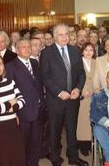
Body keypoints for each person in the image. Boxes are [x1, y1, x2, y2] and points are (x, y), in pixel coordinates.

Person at [40, 24, 87, 166]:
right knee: (55, 131)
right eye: (60, 34)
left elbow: (81, 73)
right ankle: (55, 158)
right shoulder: (47, 53)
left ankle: (73, 157)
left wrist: (78, 89)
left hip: (73, 98)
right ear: (54, 36)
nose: (64, 37)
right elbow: (45, 76)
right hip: (55, 99)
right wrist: (59, 92)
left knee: (72, 129)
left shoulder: (75, 51)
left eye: (66, 34)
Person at [5, 39, 45, 166]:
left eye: (29, 46)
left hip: (38, 110)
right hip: (22, 113)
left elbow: (38, 85)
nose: (27, 49)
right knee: (23, 144)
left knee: (36, 142)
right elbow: (9, 92)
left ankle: (33, 163)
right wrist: (15, 113)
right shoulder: (10, 66)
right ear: (17, 50)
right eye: (23, 47)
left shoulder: (34, 62)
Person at [77, 43, 97, 156]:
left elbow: (98, 77)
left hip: (94, 95)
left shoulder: (96, 62)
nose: (89, 52)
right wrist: (82, 90)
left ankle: (90, 143)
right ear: (82, 51)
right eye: (86, 50)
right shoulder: (78, 63)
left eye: (91, 50)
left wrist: (95, 89)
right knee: (82, 121)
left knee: (91, 120)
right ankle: (82, 144)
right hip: (83, 96)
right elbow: (75, 78)